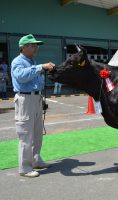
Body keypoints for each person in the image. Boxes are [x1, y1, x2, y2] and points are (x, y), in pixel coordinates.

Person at [11, 34, 55, 178]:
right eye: (33, 45)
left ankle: (35, 160)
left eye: (36, 45)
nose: (36, 47)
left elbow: (36, 82)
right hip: (24, 99)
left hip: (35, 98)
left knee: (37, 133)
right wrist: (40, 67)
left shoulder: (32, 61)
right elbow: (22, 76)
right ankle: (24, 167)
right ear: (23, 47)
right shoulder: (17, 61)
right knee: (25, 134)